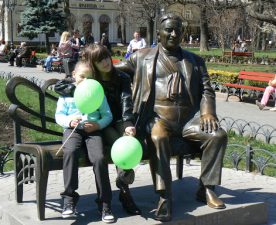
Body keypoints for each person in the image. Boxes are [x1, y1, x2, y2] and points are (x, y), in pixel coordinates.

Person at [115, 13, 227, 222]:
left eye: (177, 30)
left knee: (217, 135)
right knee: (158, 138)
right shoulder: (141, 57)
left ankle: (207, 188)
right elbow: (112, 71)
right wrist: (86, 73)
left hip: (189, 119)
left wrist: (208, 112)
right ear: (159, 32)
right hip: (158, 117)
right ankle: (164, 195)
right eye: (168, 29)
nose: (174, 34)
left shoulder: (194, 60)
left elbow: (207, 91)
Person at [55, 44, 141, 216]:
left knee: (125, 140)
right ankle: (124, 189)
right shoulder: (90, 78)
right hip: (99, 125)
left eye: (106, 57)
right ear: (92, 63)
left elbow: (126, 103)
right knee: (115, 143)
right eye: (99, 60)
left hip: (116, 119)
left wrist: (128, 124)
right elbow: (60, 86)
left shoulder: (121, 77)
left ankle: (124, 185)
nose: (106, 62)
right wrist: (78, 87)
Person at [55, 61, 115, 223]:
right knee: (70, 152)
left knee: (99, 158)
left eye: (89, 77)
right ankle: (69, 199)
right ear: (74, 75)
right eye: (82, 76)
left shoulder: (97, 93)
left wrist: (98, 124)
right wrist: (69, 121)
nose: (85, 81)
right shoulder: (67, 94)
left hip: (93, 131)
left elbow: (107, 115)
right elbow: (59, 116)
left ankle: (104, 203)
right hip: (73, 130)